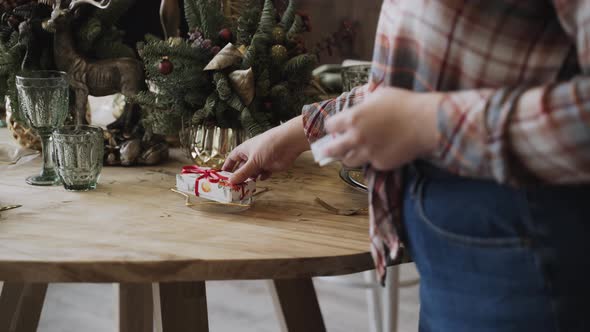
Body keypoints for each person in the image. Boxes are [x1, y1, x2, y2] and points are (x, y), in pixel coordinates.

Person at [222, 1, 590, 331]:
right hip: (451, 249)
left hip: (526, 248)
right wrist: (295, 134)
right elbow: (416, 83)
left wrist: (429, 124)